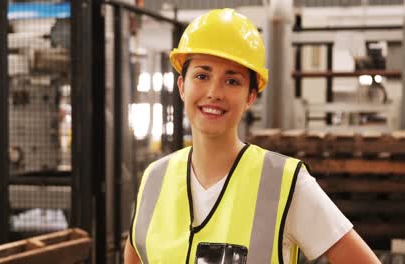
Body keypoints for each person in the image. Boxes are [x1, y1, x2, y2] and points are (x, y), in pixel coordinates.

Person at [124, 8, 380, 264]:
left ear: (250, 97)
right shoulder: (155, 179)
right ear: (182, 86)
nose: (214, 92)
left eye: (232, 81)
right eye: (202, 76)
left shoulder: (285, 183)